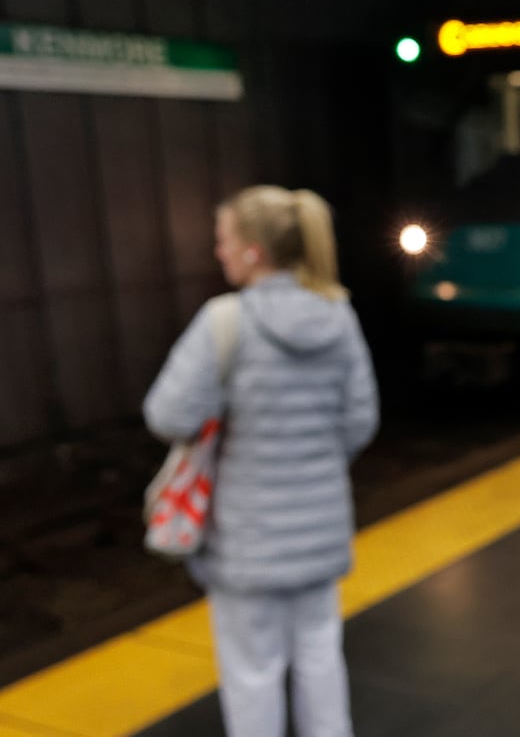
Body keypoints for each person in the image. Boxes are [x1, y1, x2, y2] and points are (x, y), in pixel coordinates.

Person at [143, 185, 378, 737]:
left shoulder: (224, 322)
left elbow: (167, 415)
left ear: (253, 250)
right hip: (320, 530)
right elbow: (361, 421)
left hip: (248, 541)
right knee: (321, 658)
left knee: (253, 673)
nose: (218, 252)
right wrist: (314, 464)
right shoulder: (338, 316)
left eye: (224, 240)